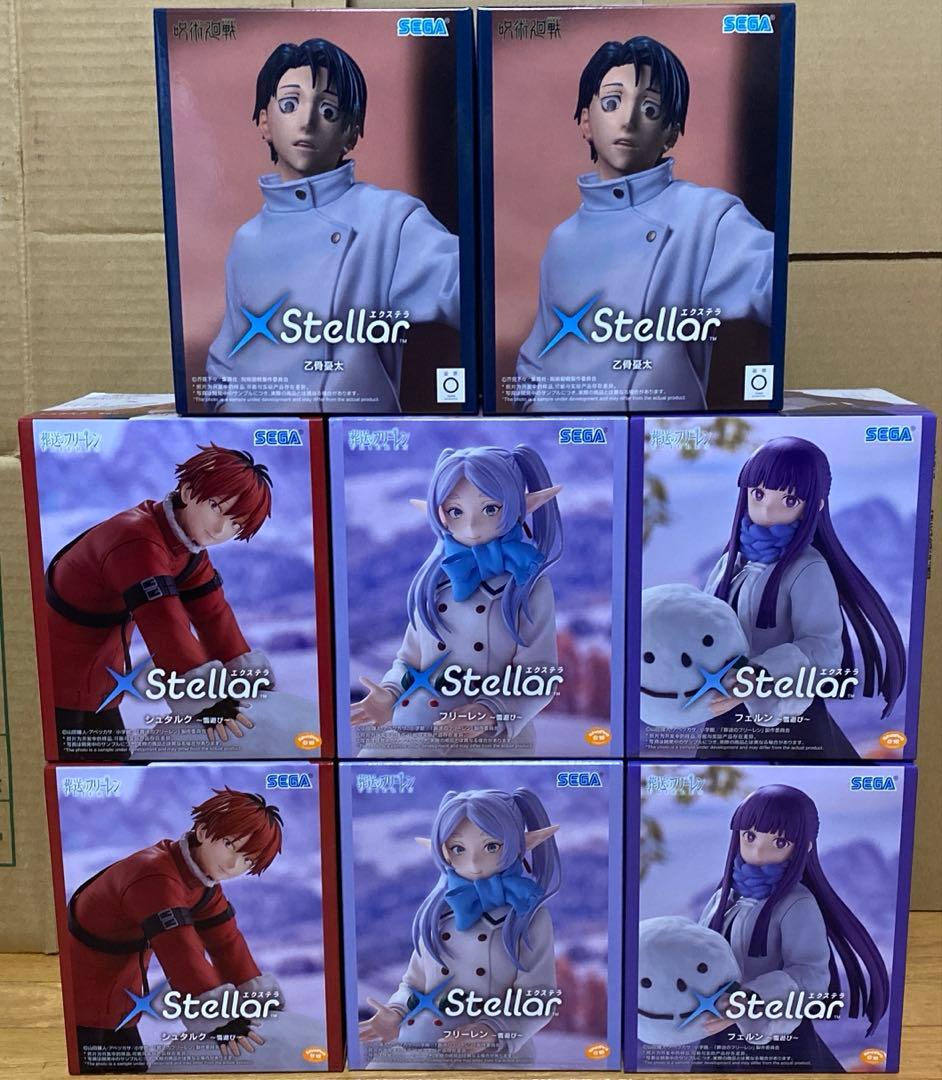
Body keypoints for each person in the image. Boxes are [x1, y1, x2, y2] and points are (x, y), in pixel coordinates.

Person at [514, 35, 773, 412]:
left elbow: (774, 287)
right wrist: (537, 415)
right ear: (586, 122)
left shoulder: (707, 216)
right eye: (612, 103)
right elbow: (536, 361)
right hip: (568, 437)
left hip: (661, 439)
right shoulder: (563, 239)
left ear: (671, 132)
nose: (629, 120)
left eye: (650, 109)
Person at [204, 38, 460, 413]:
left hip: (358, 440)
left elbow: (473, 293)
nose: (307, 122)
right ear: (264, 122)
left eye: (327, 110)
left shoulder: (390, 218)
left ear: (350, 133)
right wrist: (233, 419)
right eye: (289, 105)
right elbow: (223, 366)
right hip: (266, 439)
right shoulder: (247, 240)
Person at [45, 444, 273, 758]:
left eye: (236, 523)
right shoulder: (137, 540)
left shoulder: (187, 550)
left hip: (102, 680)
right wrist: (206, 700)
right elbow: (163, 621)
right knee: (67, 771)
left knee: (113, 769)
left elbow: (213, 614)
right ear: (188, 490)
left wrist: (249, 680)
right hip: (55, 676)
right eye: (216, 507)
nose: (221, 529)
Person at [698, 436, 905, 759]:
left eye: (789, 499)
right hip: (725, 710)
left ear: (815, 506)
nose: (767, 509)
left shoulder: (807, 568)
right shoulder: (730, 563)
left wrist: (759, 675)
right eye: (758, 494)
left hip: (789, 721)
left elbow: (823, 649)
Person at [350, 445, 562, 755]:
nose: (472, 527)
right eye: (456, 511)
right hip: (412, 724)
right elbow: (409, 660)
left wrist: (489, 711)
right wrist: (390, 692)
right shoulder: (434, 582)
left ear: (517, 507)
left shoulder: (529, 587)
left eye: (490, 509)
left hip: (489, 740)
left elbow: (539, 674)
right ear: (440, 513)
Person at [67, 788, 285, 1072]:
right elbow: (180, 951)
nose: (234, 865)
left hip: (121, 1003)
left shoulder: (202, 883)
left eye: (248, 860)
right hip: (80, 1000)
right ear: (203, 831)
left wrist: (259, 1001)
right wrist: (219, 1019)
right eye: (230, 844)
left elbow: (226, 942)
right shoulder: (155, 876)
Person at [358, 788, 561, 1066]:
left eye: (492, 846)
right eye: (458, 849)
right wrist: (395, 1012)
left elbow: (539, 996)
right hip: (419, 1041)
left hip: (493, 1054)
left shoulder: (529, 916)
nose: (474, 863)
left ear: (517, 845)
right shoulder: (438, 912)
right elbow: (414, 984)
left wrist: (490, 1029)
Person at [694, 784, 889, 1071]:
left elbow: (812, 976)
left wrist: (750, 998)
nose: (758, 850)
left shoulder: (797, 904)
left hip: (777, 1037)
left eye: (780, 842)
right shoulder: (723, 898)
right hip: (716, 1029)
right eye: (750, 836)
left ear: (804, 847)